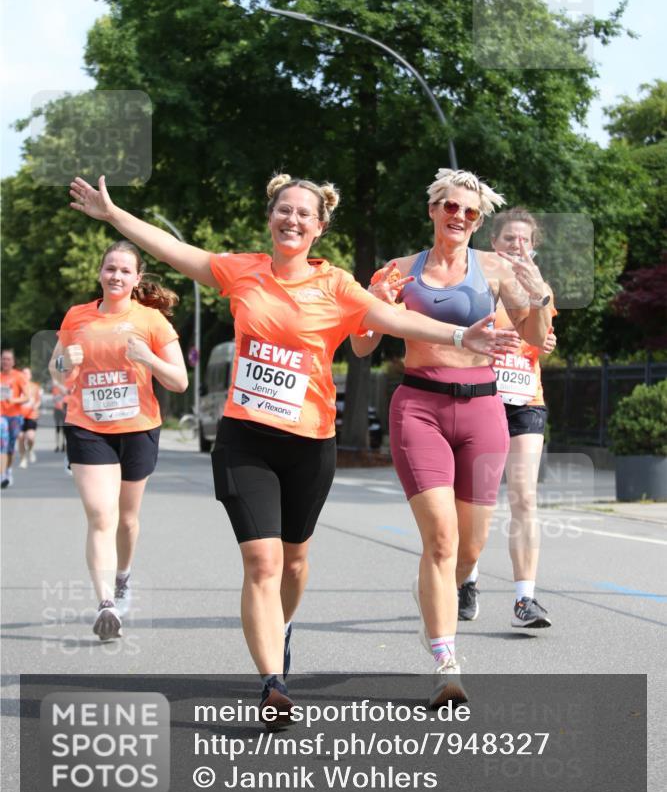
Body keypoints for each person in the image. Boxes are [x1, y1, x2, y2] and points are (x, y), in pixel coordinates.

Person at [68, 172, 521, 717]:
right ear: (271, 217)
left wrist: (458, 336)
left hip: (310, 441)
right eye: (284, 210)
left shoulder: (336, 285)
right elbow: (175, 250)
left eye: (305, 214)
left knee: (295, 560)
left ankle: (281, 628)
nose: (293, 220)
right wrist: (114, 215)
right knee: (261, 562)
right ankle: (273, 684)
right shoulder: (242, 272)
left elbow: (394, 317)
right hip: (246, 438)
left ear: (320, 227)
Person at [351, 170, 552, 707]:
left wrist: (538, 296)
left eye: (470, 212)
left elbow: (536, 340)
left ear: (477, 221)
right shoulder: (398, 270)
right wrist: (375, 304)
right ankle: (447, 660)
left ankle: (451, 588)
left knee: (469, 546)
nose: (459, 217)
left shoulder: (493, 268)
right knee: (439, 539)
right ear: (434, 210)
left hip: (484, 410)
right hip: (419, 406)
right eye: (451, 207)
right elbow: (363, 345)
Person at [49, 241, 188, 641]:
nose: (116, 276)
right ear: (100, 273)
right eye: (110, 268)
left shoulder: (152, 321)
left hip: (139, 427)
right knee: (101, 516)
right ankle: (106, 603)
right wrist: (64, 362)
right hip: (87, 426)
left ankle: (122, 577)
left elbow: (179, 381)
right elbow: (57, 371)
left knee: (126, 519)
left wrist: (148, 358)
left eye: (125, 271)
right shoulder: (77, 317)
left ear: (137, 278)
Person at [460, 208, 556, 630]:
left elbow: (544, 337)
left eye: (524, 240)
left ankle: (525, 599)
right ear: (493, 244)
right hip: (480, 398)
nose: (517, 246)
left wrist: (544, 320)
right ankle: (468, 580)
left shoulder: (541, 288)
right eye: (509, 239)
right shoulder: (476, 285)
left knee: (523, 496)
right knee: (475, 501)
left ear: (533, 247)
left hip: (524, 401)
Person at [1, 349, 29, 489]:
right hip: (1, 416)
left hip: (14, 416)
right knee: (2, 444)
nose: (5, 361)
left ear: (13, 361)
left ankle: (7, 470)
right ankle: (2, 475)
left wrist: (14, 400)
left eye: (8, 359)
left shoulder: (18, 376)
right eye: (3, 359)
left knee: (10, 448)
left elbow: (27, 396)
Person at [18, 367, 42, 468]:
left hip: (32, 415)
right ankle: (23, 459)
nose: (25, 375)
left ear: (30, 376)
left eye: (27, 373)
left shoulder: (35, 387)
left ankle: (31, 449)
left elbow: (39, 400)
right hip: (19, 415)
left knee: (30, 437)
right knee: (20, 437)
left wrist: (35, 406)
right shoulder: (18, 387)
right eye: (23, 373)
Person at [52, 381, 68, 453]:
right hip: (57, 409)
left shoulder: (65, 386)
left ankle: (63, 444)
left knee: (64, 429)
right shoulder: (55, 388)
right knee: (57, 428)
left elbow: (66, 393)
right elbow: (54, 399)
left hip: (64, 410)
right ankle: (57, 445)